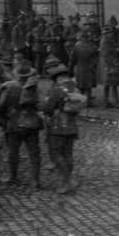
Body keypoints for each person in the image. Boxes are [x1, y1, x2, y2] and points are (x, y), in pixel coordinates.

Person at [42, 63, 87, 194]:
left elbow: (48, 108)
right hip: (71, 125)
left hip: (57, 126)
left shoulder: (57, 89)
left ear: (57, 77)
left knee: (56, 154)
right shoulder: (75, 88)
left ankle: (67, 182)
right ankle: (69, 179)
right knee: (68, 154)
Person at [0, 61, 43, 188]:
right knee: (34, 152)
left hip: (14, 122)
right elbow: (40, 104)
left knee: (13, 152)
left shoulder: (9, 86)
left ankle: (13, 177)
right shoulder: (34, 86)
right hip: (32, 122)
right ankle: (36, 180)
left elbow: (1, 105)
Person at [99, 24, 119, 108]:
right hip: (110, 66)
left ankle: (106, 102)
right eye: (110, 33)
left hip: (106, 66)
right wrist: (115, 62)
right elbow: (107, 55)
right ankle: (116, 102)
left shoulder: (106, 41)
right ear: (106, 34)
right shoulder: (106, 42)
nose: (112, 34)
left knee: (107, 84)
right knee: (114, 84)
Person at [71, 30, 99, 107]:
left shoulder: (77, 46)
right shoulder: (93, 46)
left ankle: (81, 102)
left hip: (79, 68)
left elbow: (72, 59)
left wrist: (71, 69)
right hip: (90, 69)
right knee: (88, 87)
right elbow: (97, 58)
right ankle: (88, 102)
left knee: (80, 86)